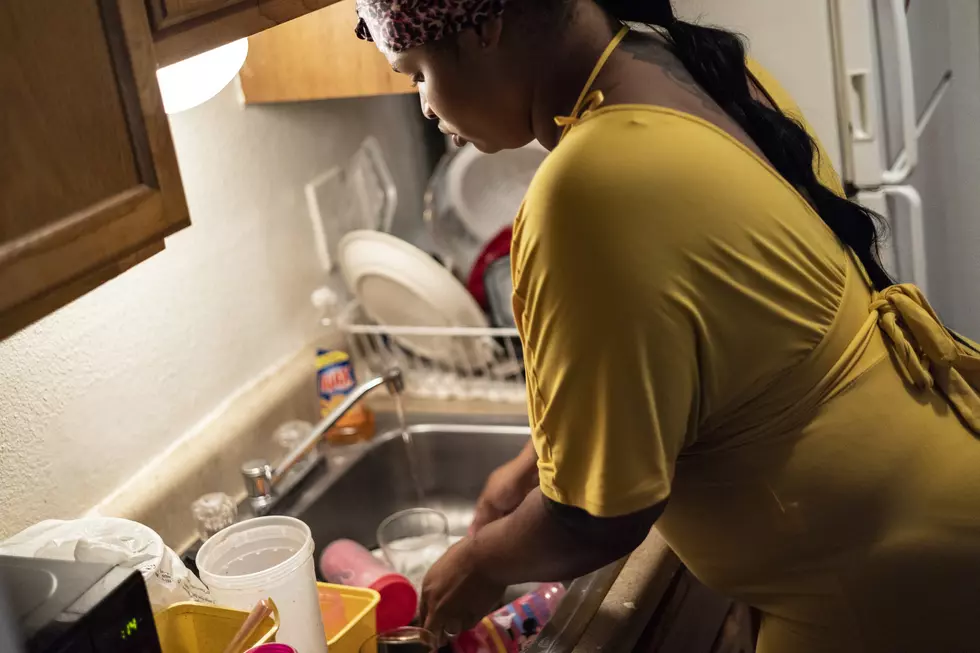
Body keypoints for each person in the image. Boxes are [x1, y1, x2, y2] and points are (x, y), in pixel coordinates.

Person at [354, 0, 980, 650]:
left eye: (415, 73)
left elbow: (596, 517)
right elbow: (689, 351)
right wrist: (528, 470)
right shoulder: (677, 63)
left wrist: (480, 562)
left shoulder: (587, 187)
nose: (425, 104)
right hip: (926, 503)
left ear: (486, 29)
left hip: (878, 593)